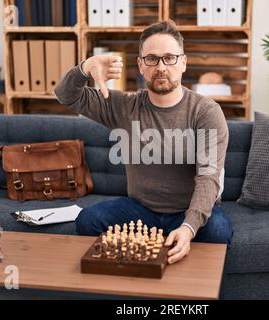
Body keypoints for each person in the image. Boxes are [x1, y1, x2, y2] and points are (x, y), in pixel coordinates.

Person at [55, 19, 233, 264]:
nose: (161, 67)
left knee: (217, 231)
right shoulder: (124, 106)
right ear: (140, 65)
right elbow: (65, 95)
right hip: (139, 210)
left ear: (183, 62)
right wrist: (85, 67)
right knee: (87, 220)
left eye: (169, 58)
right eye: (151, 59)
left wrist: (188, 227)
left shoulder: (206, 112)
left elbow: (208, 177)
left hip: (188, 211)